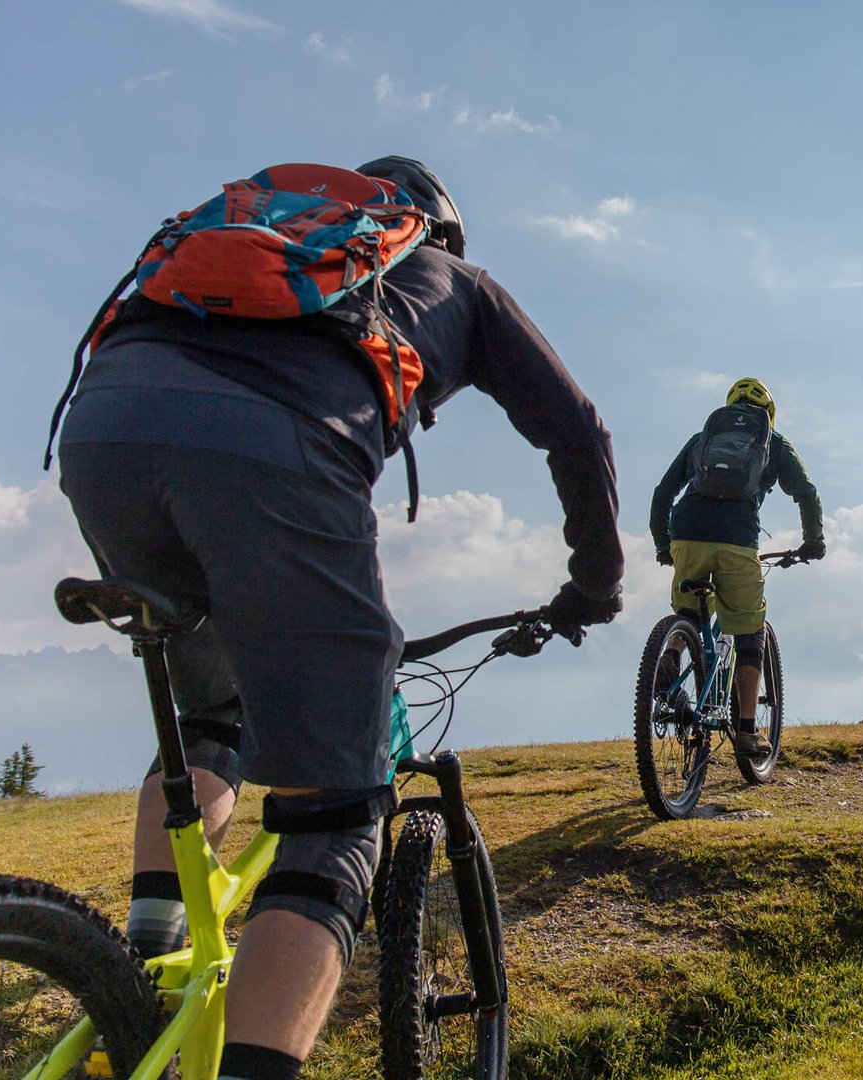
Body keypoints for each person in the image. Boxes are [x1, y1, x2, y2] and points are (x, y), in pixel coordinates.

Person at [52, 157, 623, 1080]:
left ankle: (141, 963)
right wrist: (595, 584)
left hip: (104, 426)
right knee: (335, 818)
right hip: (274, 449)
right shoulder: (457, 280)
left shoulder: (266, 235)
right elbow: (578, 429)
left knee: (214, 716)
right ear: (439, 231)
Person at [649, 378, 824, 755]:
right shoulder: (773, 442)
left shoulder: (702, 439)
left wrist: (664, 546)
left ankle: (673, 650)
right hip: (737, 539)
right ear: (769, 414)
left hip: (687, 531)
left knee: (689, 610)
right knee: (749, 630)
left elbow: (662, 494)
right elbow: (806, 493)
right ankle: (746, 730)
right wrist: (814, 541)